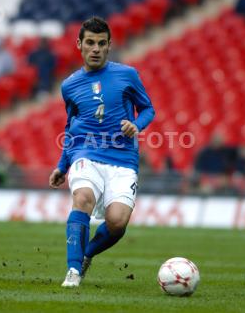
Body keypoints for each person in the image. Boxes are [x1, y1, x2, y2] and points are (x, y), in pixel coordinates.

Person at [48, 17, 155, 287]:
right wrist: (62, 165)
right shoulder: (69, 86)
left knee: (117, 222)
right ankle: (72, 271)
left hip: (122, 158)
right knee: (82, 198)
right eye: (90, 43)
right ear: (79, 45)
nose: (95, 48)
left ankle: (86, 255)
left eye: (101, 43)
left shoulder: (127, 75)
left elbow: (148, 109)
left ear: (109, 46)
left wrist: (136, 124)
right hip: (86, 153)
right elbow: (70, 127)